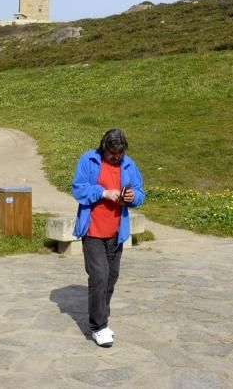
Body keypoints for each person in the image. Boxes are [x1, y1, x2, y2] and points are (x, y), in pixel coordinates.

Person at [71, 128, 145, 347]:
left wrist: (132, 197)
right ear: (104, 148)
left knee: (112, 277)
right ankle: (98, 326)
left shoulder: (128, 164)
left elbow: (141, 192)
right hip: (93, 230)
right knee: (99, 276)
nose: (116, 157)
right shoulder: (88, 160)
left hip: (117, 231)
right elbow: (78, 189)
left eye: (119, 154)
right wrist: (103, 193)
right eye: (112, 153)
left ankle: (102, 316)